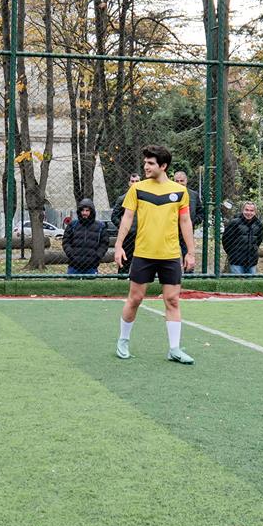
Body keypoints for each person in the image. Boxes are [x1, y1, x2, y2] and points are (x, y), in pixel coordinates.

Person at [112, 144, 196, 365]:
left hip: (170, 255)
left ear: (163, 165)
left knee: (172, 300)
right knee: (135, 299)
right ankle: (122, 341)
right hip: (143, 254)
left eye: (150, 163)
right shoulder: (137, 188)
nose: (146, 166)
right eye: (145, 162)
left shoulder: (180, 192)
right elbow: (127, 217)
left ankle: (175, 350)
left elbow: (185, 221)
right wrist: (119, 246)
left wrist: (190, 252)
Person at [62, 198, 106, 276]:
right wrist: (71, 254)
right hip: (74, 266)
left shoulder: (100, 227)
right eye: (82, 210)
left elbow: (104, 244)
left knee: (90, 287)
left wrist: (96, 257)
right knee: (71, 287)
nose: (84, 213)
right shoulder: (72, 225)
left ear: (91, 212)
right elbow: (66, 242)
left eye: (87, 210)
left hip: (91, 267)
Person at [222, 201, 263, 275]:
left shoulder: (258, 224)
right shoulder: (234, 223)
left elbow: (259, 241)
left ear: (255, 212)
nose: (249, 213)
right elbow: (226, 241)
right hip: (236, 262)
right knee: (238, 285)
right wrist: (232, 254)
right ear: (242, 210)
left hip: (251, 262)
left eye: (251, 211)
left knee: (251, 284)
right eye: (246, 210)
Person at [111, 173, 140, 274]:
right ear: (129, 183)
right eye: (132, 181)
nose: (134, 183)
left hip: (142, 235)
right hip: (128, 236)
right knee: (125, 262)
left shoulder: (145, 198)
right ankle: (121, 281)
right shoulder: (122, 198)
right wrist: (124, 227)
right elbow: (114, 217)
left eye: (137, 181)